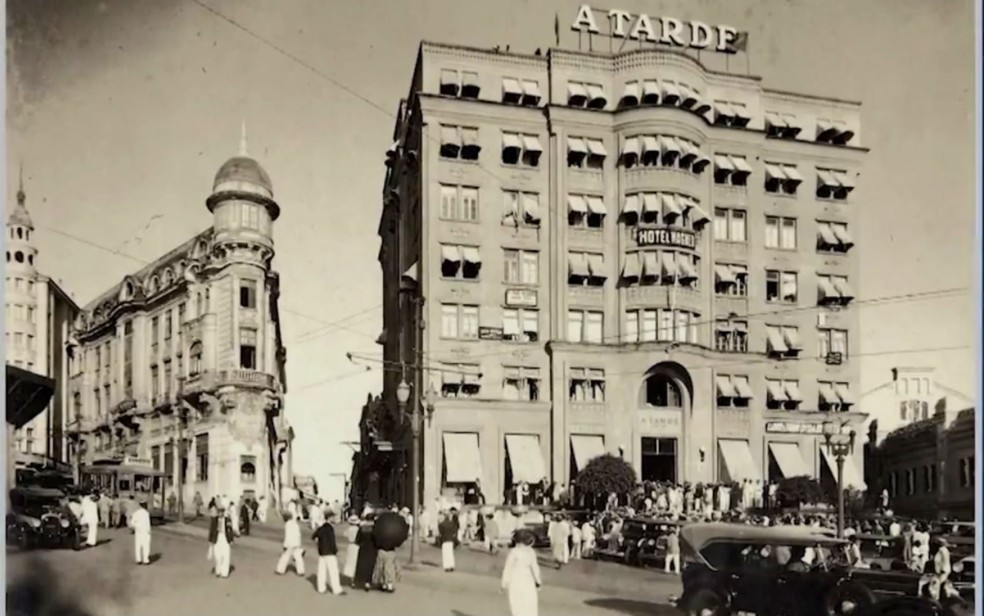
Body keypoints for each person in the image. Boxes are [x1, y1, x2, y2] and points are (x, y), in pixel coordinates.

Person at [501, 529, 542, 616]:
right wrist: (538, 581)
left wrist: (504, 583)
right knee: (529, 600)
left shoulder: (514, 552)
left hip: (516, 577)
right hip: (527, 578)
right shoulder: (530, 552)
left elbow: (508, 568)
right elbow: (535, 567)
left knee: (518, 600)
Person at [313, 509, 345, 596]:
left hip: (322, 552)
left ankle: (321, 588)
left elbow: (314, 536)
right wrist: (335, 551)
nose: (334, 518)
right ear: (329, 518)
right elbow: (332, 541)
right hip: (330, 552)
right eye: (333, 517)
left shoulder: (321, 528)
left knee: (321, 571)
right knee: (333, 571)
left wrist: (318, 545)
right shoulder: (330, 528)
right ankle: (336, 589)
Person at [352, 517, 378, 591]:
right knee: (370, 566)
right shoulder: (375, 528)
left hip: (363, 548)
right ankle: (367, 582)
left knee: (361, 565)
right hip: (372, 548)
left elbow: (357, 540)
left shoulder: (362, 528)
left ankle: (357, 581)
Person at [276, 511, 306, 576]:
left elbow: (288, 535)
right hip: (296, 542)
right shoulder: (295, 524)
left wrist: (285, 545)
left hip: (289, 543)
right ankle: (301, 571)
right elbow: (298, 534)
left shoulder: (287, 525)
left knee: (285, 557)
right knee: (298, 557)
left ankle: (280, 570)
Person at [209, 506, 235, 578]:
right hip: (217, 537)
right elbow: (211, 530)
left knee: (226, 554)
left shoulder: (227, 520)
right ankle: (218, 571)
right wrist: (210, 540)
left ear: (223, 512)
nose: (220, 513)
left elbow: (230, 530)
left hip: (225, 537)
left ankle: (224, 572)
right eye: (219, 512)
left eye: (221, 512)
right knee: (217, 555)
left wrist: (231, 540)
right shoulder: (214, 520)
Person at [129, 500, 152, 565]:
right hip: (145, 531)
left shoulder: (136, 513)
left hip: (138, 531)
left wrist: (137, 526)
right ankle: (145, 560)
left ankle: (138, 559)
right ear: (145, 505)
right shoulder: (146, 513)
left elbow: (131, 523)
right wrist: (149, 531)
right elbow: (148, 524)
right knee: (146, 546)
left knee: (138, 545)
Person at [343, 515, 361, 582]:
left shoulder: (349, 529)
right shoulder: (358, 529)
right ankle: (356, 577)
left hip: (350, 545)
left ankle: (351, 578)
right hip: (357, 545)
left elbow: (345, 534)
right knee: (356, 561)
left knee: (350, 561)